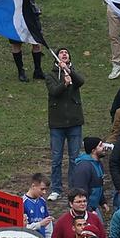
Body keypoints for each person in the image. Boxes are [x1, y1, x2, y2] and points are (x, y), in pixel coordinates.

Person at [45, 47, 86, 200]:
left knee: (74, 157)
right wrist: (64, 84)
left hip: (74, 122)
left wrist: (69, 71)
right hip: (57, 123)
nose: (64, 54)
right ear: (56, 58)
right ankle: (56, 188)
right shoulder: (50, 76)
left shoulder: (73, 73)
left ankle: (73, 188)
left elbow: (81, 81)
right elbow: (54, 91)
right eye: (61, 52)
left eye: (66, 52)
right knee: (56, 158)